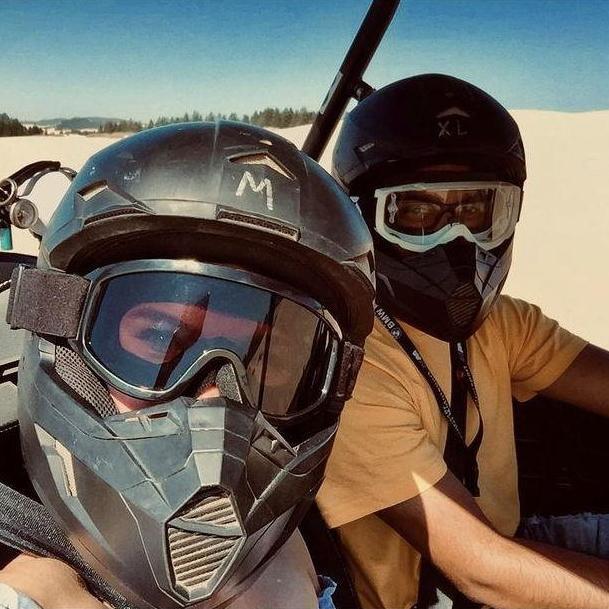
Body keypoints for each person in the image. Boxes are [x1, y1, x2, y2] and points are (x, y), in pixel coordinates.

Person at [0, 120, 375, 608]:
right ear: (64, 340)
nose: (215, 402)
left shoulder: (292, 556)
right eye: (160, 338)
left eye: (265, 361)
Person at [316, 73, 609, 609]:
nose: (457, 241)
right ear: (363, 218)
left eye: (477, 210)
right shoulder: (353, 363)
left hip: (512, 551)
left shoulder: (502, 324)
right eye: (417, 213)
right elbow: (482, 571)